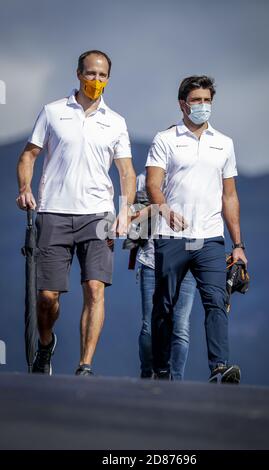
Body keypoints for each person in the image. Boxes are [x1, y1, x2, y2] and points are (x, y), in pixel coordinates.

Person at [16, 50, 136, 376]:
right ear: (78, 73)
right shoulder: (53, 112)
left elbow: (126, 172)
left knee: (95, 289)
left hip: (98, 217)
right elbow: (29, 155)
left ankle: (85, 365)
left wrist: (125, 211)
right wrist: (25, 188)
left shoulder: (116, 122)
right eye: (90, 74)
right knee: (46, 297)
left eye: (102, 75)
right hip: (54, 212)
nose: (96, 80)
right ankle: (45, 344)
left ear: (108, 79)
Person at [146, 75, 247, 383]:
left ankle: (219, 367)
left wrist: (238, 245)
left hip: (210, 238)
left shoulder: (224, 143)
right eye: (196, 101)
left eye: (207, 101)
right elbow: (152, 183)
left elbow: (229, 196)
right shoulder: (165, 139)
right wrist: (164, 209)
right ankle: (161, 368)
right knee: (164, 305)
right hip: (173, 236)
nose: (203, 106)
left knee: (217, 300)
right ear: (183, 104)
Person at [133, 172, 196, 380]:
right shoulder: (143, 180)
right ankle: (148, 372)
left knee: (180, 328)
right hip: (152, 261)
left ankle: (175, 381)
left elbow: (202, 220)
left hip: (186, 261)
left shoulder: (196, 178)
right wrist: (159, 207)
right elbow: (130, 221)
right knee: (149, 327)